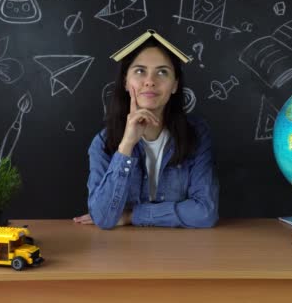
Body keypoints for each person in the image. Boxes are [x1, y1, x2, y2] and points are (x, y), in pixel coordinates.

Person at [73, 31, 219, 229]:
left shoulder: (197, 135)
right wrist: (126, 145)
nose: (150, 81)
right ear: (126, 82)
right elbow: (104, 218)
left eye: (162, 72)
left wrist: (132, 215)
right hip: (123, 252)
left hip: (182, 251)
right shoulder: (103, 142)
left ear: (175, 84)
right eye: (140, 71)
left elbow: (204, 213)